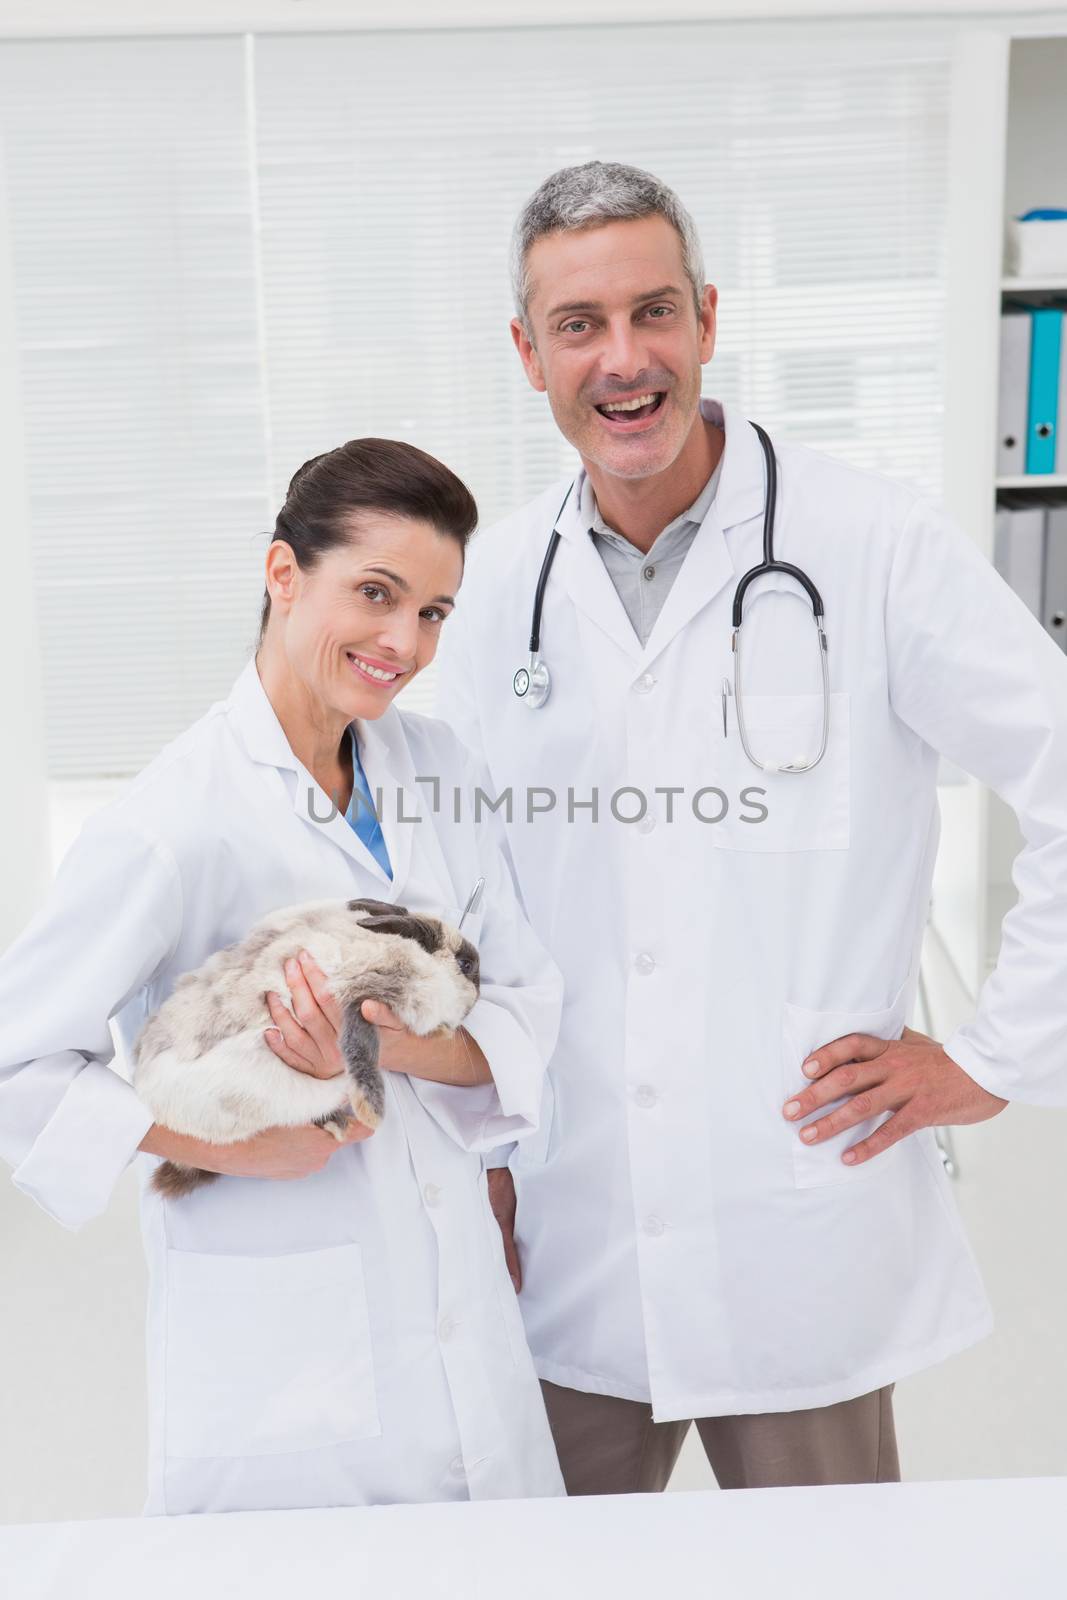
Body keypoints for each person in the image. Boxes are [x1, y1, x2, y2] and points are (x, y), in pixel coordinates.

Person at [432, 162, 1067, 1494]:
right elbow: (458, 887)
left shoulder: (869, 544)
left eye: (651, 312)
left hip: (793, 1219)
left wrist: (998, 1057)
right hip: (571, 1216)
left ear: (706, 321)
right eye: (578, 325)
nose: (622, 360)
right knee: (549, 1578)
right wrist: (470, 1147)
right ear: (525, 353)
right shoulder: (490, 589)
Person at [0, 438, 565, 1515]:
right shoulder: (178, 816)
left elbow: (525, 1005)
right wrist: (222, 1141)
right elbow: (17, 1061)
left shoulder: (439, 769)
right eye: (376, 593)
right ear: (280, 574)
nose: (404, 642)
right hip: (288, 1364)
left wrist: (381, 1041)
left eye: (434, 612)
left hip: (464, 1325)